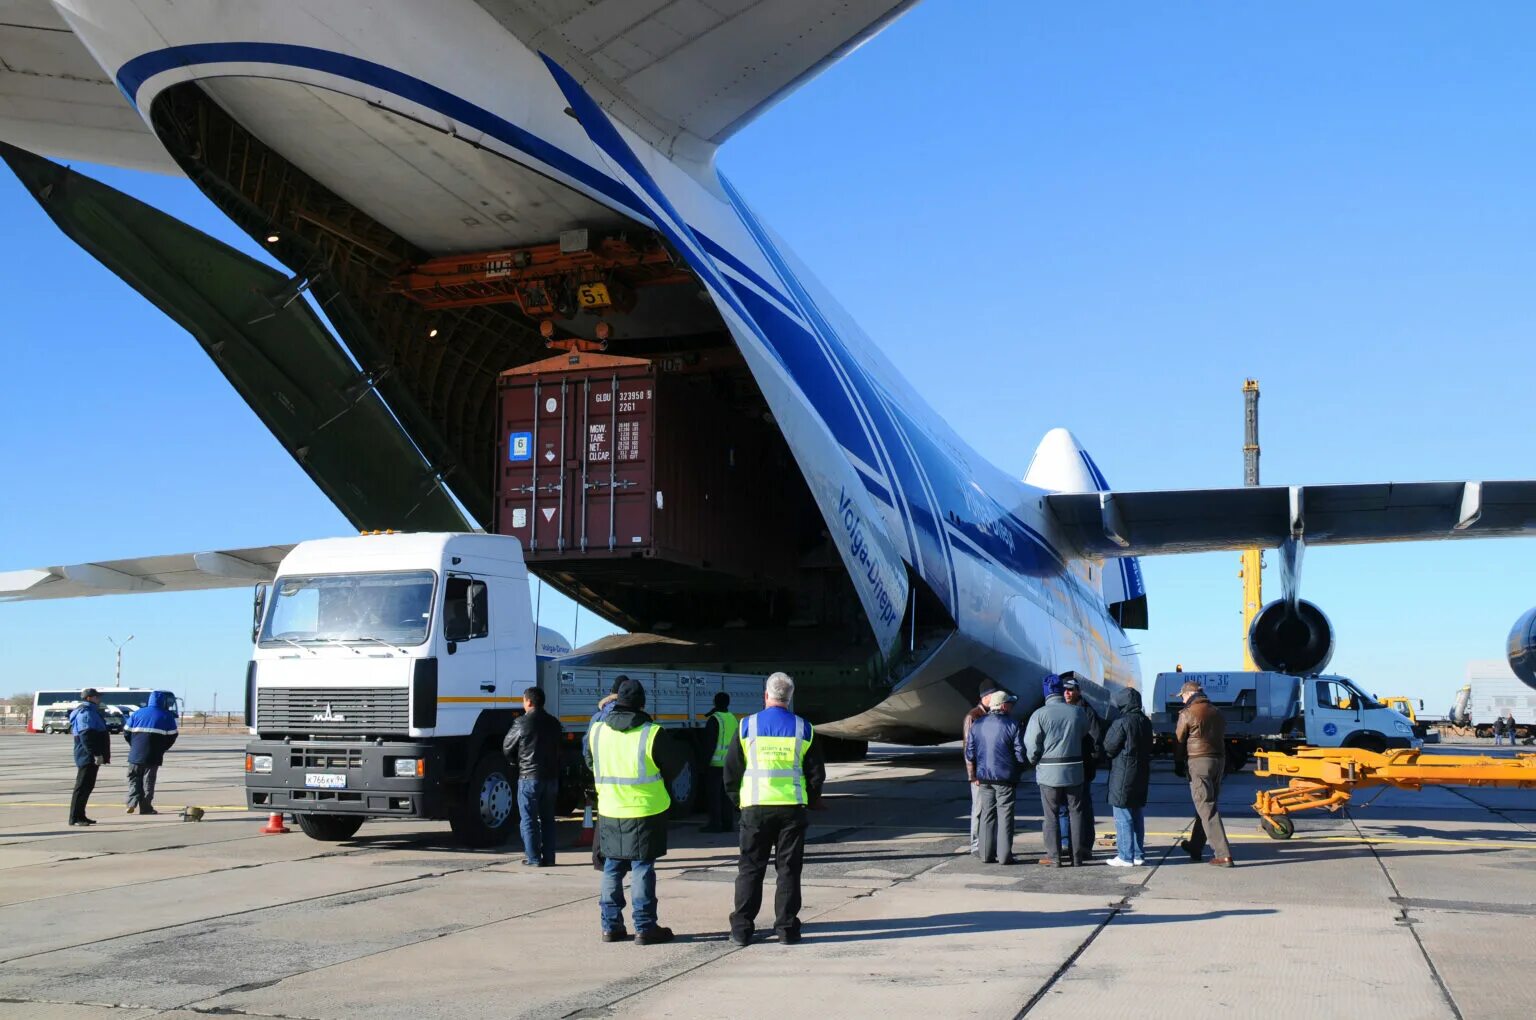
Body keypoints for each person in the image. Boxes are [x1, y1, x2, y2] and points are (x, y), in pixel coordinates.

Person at [585, 677, 688, 944]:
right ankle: (644, 926)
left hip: (609, 808)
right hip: (645, 810)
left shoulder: (597, 730)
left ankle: (610, 926)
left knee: (611, 867)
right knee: (642, 867)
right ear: (642, 703)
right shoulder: (652, 733)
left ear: (617, 700)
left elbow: (588, 760)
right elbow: (675, 766)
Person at [725, 672, 824, 946]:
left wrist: (739, 801)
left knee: (750, 869)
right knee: (789, 871)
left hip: (755, 808)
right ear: (789, 698)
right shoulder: (804, 728)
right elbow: (816, 773)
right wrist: (811, 797)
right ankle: (787, 929)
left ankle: (742, 930)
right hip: (791, 808)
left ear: (766, 696)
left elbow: (731, 770)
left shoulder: (747, 726)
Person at [1023, 674, 1090, 866]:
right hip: (1074, 770)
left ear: (1046, 693)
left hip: (1048, 772)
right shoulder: (1077, 712)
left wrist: (1034, 760)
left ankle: (1054, 857)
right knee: (1076, 813)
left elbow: (1031, 744)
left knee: (1051, 815)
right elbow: (1084, 732)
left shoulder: (1039, 714)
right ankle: (1076, 857)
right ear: (1062, 690)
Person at [1175, 680, 1233, 867]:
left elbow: (1179, 740)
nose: (1182, 701)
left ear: (1189, 694)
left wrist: (1177, 763)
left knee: (1206, 807)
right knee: (1206, 804)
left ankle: (1223, 854)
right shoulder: (1216, 711)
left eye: (1182, 697)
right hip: (1219, 760)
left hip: (1199, 762)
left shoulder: (1188, 713)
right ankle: (1195, 846)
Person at [503, 685, 563, 867]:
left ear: (528, 701)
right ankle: (550, 857)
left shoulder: (521, 723)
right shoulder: (554, 722)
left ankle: (533, 858)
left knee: (528, 819)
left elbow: (507, 747)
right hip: (551, 777)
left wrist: (516, 762)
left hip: (529, 776)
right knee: (548, 819)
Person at [965, 688, 1026, 864]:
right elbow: (1020, 753)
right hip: (1005, 778)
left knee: (987, 814)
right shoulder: (1012, 724)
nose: (1012, 706)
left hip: (984, 777)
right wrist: (1020, 766)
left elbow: (970, 753)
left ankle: (985, 854)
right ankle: (1005, 856)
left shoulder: (978, 724)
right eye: (1010, 703)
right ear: (1003, 706)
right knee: (1005, 814)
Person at [1102, 687, 1153, 867]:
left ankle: (1125, 855)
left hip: (1123, 772)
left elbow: (1109, 747)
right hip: (1141, 772)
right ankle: (1138, 854)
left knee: (1122, 813)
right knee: (1137, 813)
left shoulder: (1122, 722)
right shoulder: (1145, 722)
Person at [1060, 674, 1104, 856]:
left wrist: (1088, 761)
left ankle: (1085, 844)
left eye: (1071, 690)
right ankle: (1065, 843)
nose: (1067, 693)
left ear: (1078, 691)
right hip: (1065, 767)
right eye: (1065, 690)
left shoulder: (1086, 711)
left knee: (1083, 807)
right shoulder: (1061, 709)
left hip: (1082, 767)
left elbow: (1096, 740)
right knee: (1064, 807)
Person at [586, 676, 626, 871]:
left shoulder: (597, 716)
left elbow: (587, 749)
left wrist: (595, 769)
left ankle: (599, 858)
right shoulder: (632, 716)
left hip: (602, 776)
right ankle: (620, 857)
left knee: (603, 816)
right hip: (626, 775)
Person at [960, 679, 1000, 855]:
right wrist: (973, 775)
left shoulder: (989, 714)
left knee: (989, 809)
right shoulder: (973, 716)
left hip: (989, 771)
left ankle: (988, 842)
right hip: (979, 774)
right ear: (987, 697)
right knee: (978, 809)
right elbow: (968, 749)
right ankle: (976, 844)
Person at [123, 690, 178, 815]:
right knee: (148, 781)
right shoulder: (166, 716)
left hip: (136, 754)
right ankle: (145, 807)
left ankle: (131, 803)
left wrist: (134, 745)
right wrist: (162, 748)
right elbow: (173, 736)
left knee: (134, 778)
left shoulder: (137, 713)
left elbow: (126, 732)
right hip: (154, 755)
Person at [68, 688, 110, 826]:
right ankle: (75, 817)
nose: (99, 699)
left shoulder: (91, 711)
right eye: (97, 697)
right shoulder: (86, 712)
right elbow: (86, 736)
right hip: (87, 754)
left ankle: (81, 815)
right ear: (89, 698)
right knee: (82, 786)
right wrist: (95, 753)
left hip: (89, 754)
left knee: (87, 786)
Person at [700, 692, 738, 833]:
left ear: (715, 702)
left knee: (714, 796)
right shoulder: (732, 718)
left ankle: (714, 824)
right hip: (729, 764)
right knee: (727, 796)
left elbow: (709, 744)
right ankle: (728, 824)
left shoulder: (714, 719)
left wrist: (704, 764)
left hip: (715, 765)